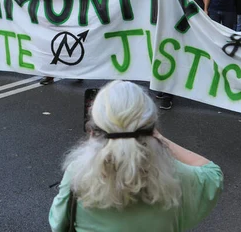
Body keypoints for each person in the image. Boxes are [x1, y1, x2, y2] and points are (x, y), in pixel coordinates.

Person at [49, 81, 223, 232]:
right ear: (152, 127)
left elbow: (57, 224)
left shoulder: (78, 173)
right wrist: (160, 139)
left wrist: (98, 145)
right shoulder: (175, 174)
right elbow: (212, 172)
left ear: (94, 129)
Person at [38, 0, 74, 86]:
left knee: (70, 46)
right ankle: (49, 75)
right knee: (49, 47)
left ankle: (78, 72)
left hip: (67, 20)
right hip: (49, 20)